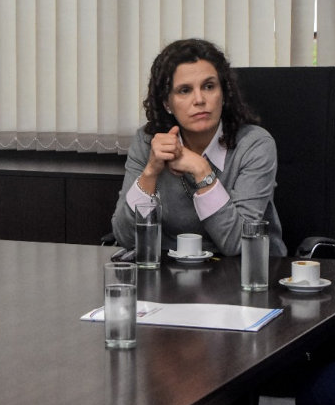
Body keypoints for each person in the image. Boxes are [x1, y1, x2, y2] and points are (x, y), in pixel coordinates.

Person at [110, 38, 285, 257]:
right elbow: (124, 237)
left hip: (246, 276)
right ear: (167, 103)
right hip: (170, 277)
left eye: (209, 86)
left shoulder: (254, 145)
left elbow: (239, 245)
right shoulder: (148, 143)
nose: (199, 99)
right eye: (184, 90)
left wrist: (202, 170)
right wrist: (151, 172)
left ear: (224, 94)